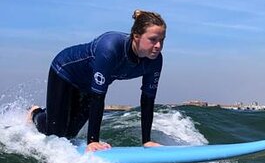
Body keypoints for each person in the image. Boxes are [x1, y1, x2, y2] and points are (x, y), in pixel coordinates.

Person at [29, 10, 166, 152]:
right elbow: (98, 97)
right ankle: (35, 113)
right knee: (56, 135)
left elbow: (148, 100)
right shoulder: (110, 47)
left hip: (89, 85)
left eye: (162, 40)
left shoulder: (155, 61)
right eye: (153, 39)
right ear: (136, 36)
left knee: (69, 134)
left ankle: (50, 113)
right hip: (65, 73)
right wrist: (93, 141)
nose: (158, 45)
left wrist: (147, 141)